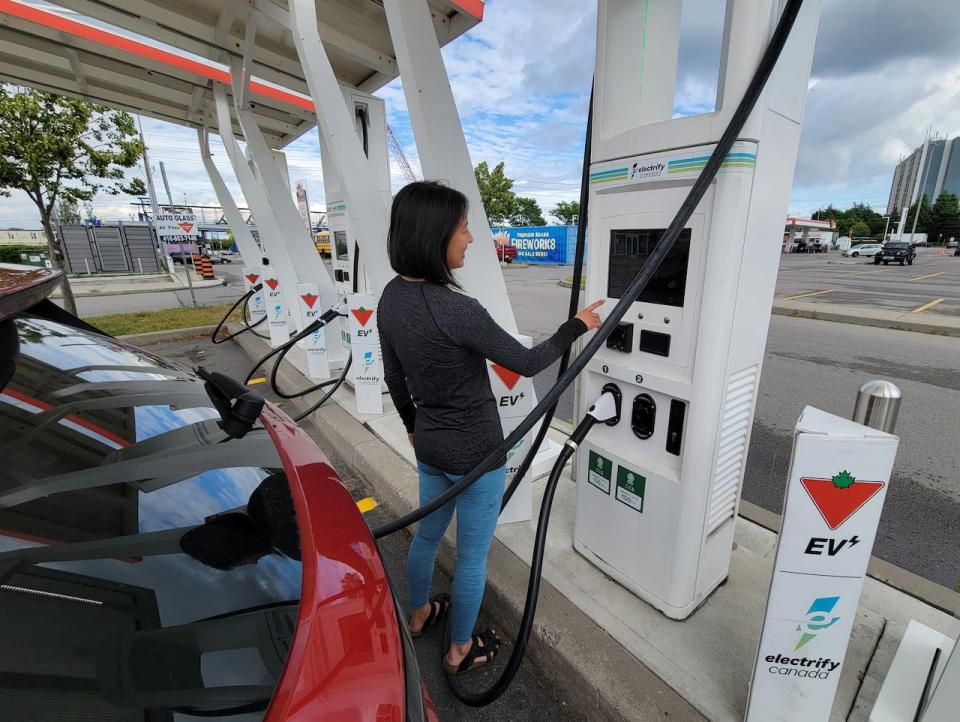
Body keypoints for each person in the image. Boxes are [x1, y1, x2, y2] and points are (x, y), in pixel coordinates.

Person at [377, 181, 604, 674]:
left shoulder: (391, 298)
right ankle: (460, 649)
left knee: (426, 536)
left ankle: (417, 615)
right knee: (473, 556)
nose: (471, 238)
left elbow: (394, 376)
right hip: (478, 454)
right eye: (463, 228)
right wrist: (578, 326)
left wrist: (414, 428)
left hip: (430, 444)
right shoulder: (458, 310)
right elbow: (527, 361)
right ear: (435, 236)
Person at [179, 471, 301, 570]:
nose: (253, 563)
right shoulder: (262, 493)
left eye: (242, 564)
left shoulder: (294, 548)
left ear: (239, 549)